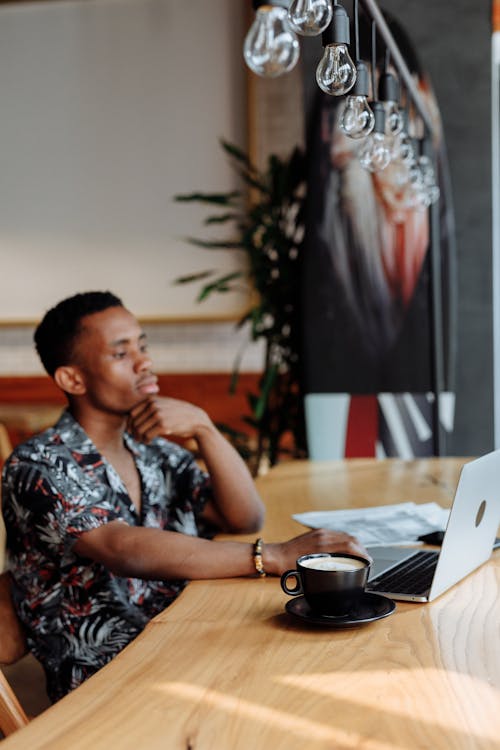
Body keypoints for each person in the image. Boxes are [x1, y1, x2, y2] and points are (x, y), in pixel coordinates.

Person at [2, 291, 367, 702]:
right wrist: (273, 555)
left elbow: (243, 517)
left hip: (187, 636)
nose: (145, 362)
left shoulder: (156, 451)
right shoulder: (38, 464)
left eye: (143, 346)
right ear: (73, 379)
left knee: (334, 661)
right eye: (121, 354)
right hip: (108, 681)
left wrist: (205, 428)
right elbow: (122, 547)